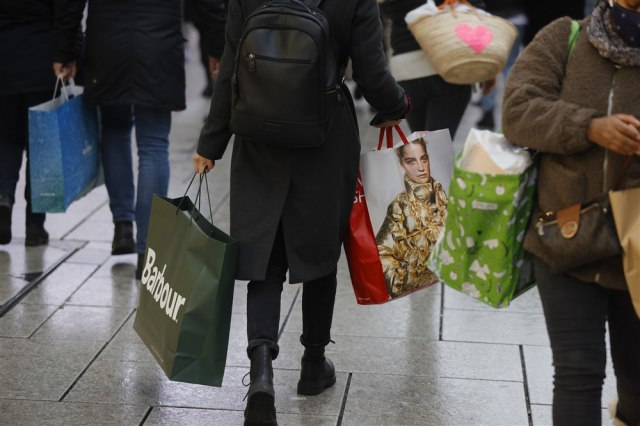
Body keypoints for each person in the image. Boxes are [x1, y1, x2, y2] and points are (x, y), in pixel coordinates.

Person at [193, 0, 409, 424]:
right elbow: (371, 71)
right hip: (325, 134)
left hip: (258, 132)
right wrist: (396, 104)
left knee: (263, 253)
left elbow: (231, 69)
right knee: (320, 247)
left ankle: (261, 370)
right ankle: (313, 363)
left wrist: (211, 143)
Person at [502, 1, 640, 423]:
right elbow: (517, 111)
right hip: (566, 235)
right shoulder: (565, 36)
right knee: (577, 373)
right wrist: (589, 127)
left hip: (636, 241)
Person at [53, 0, 227, 278]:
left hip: (107, 45)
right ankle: (147, 249)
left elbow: (69, 5)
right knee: (154, 145)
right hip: (159, 46)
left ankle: (123, 225)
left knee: (114, 129)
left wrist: (65, 50)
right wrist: (218, 46)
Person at [0, 0, 81, 247]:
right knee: (42, 143)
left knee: (6, 137)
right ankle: (35, 224)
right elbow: (68, 9)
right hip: (45, 57)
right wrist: (66, 53)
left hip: (5, 55)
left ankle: (3, 198)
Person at [378, 0, 491, 139]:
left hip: (407, 67)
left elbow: (382, 8)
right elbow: (476, 11)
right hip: (449, 65)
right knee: (436, 148)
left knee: (423, 146)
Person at [376, 138, 447, 297]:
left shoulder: (440, 193)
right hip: (416, 281)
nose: (421, 167)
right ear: (401, 165)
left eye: (424, 159)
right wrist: (402, 281)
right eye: (411, 161)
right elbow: (383, 251)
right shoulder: (400, 204)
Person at [475, 0, 526, 131]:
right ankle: (515, 110)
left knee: (491, 66)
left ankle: (488, 111)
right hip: (516, 18)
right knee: (510, 66)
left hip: (491, 18)